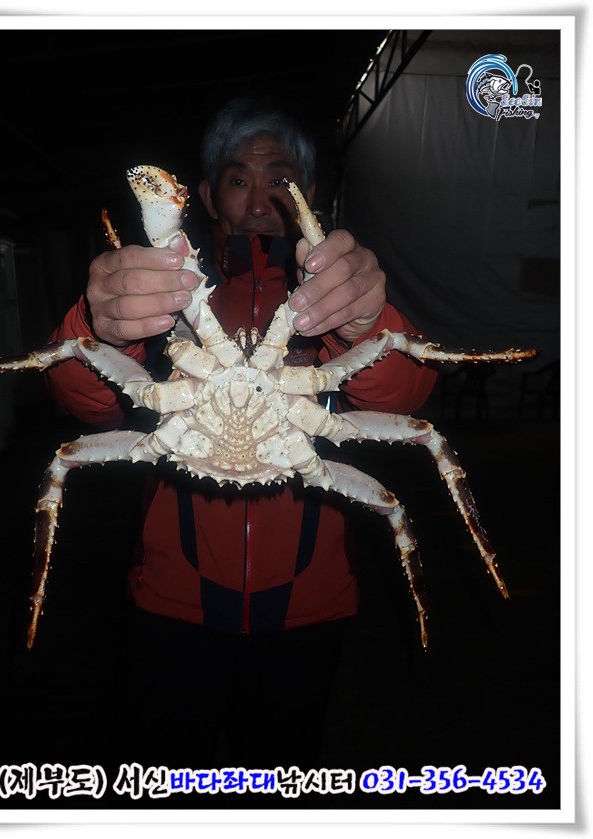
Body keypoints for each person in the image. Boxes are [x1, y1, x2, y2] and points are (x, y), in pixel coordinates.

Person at [44, 97, 437, 771]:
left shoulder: (337, 299)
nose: (258, 199)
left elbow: (407, 397)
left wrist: (369, 322)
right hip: (173, 604)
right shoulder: (170, 296)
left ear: (307, 192)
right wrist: (93, 323)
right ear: (206, 195)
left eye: (279, 178)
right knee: (159, 777)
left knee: (282, 781)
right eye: (237, 178)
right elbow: (86, 403)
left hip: (308, 610)